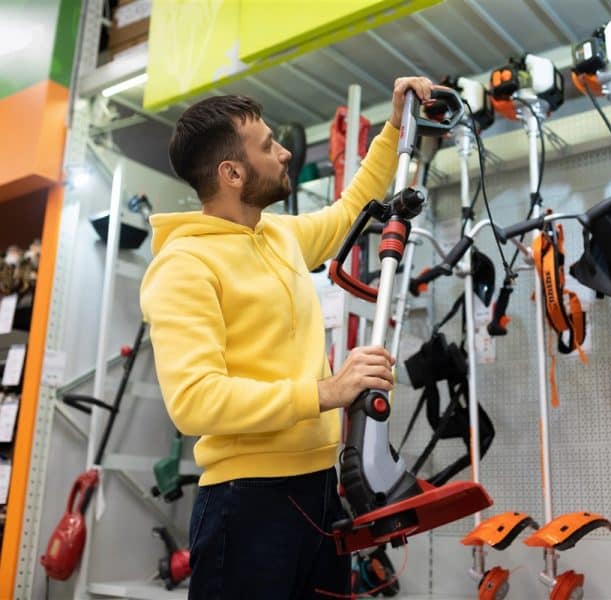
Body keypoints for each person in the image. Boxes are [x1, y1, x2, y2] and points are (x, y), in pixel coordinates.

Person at [140, 76, 434, 598]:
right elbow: (195, 401)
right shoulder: (183, 267)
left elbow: (350, 212)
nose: (283, 154)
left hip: (320, 491)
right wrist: (325, 392)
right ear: (231, 173)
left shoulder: (279, 235)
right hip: (245, 502)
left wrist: (393, 127)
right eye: (269, 146)